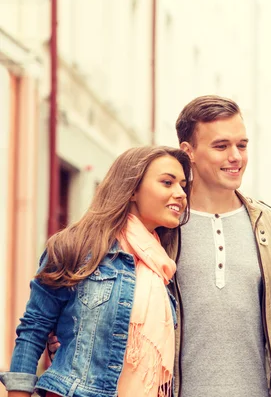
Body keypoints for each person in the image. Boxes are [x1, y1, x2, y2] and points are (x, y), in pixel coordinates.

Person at [0, 145, 191, 397]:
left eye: (183, 185)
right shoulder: (76, 247)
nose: (180, 193)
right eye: (167, 182)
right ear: (132, 189)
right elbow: (34, 330)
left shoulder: (164, 265)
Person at [172, 95, 271, 397]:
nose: (236, 156)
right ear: (189, 152)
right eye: (221, 146)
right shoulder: (162, 227)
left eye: (242, 145)